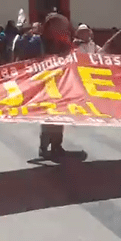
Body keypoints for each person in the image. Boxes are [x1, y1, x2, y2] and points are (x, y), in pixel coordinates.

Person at [38, 13, 76, 159]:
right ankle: (44, 146)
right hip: (46, 83)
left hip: (61, 84)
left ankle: (56, 146)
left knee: (60, 117)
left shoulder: (66, 43)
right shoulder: (40, 42)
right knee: (47, 117)